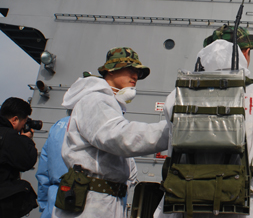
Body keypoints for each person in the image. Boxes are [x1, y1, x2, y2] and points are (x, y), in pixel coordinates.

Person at [162, 25, 253, 218]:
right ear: (245, 52)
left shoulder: (176, 96)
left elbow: (173, 150)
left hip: (188, 203)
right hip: (241, 205)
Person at [52, 47, 170, 218]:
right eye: (130, 69)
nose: (135, 76)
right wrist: (172, 130)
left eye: (137, 72)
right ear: (111, 70)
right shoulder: (95, 100)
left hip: (104, 200)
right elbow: (120, 138)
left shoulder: (107, 103)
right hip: (91, 202)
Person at [0, 97, 38, 217]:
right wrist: (26, 140)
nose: (23, 127)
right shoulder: (8, 136)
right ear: (15, 119)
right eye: (24, 122)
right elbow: (27, 160)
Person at [37, 115, 70, 218]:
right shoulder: (103, 124)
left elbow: (43, 170)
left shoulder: (58, 125)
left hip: (54, 201)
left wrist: (44, 205)